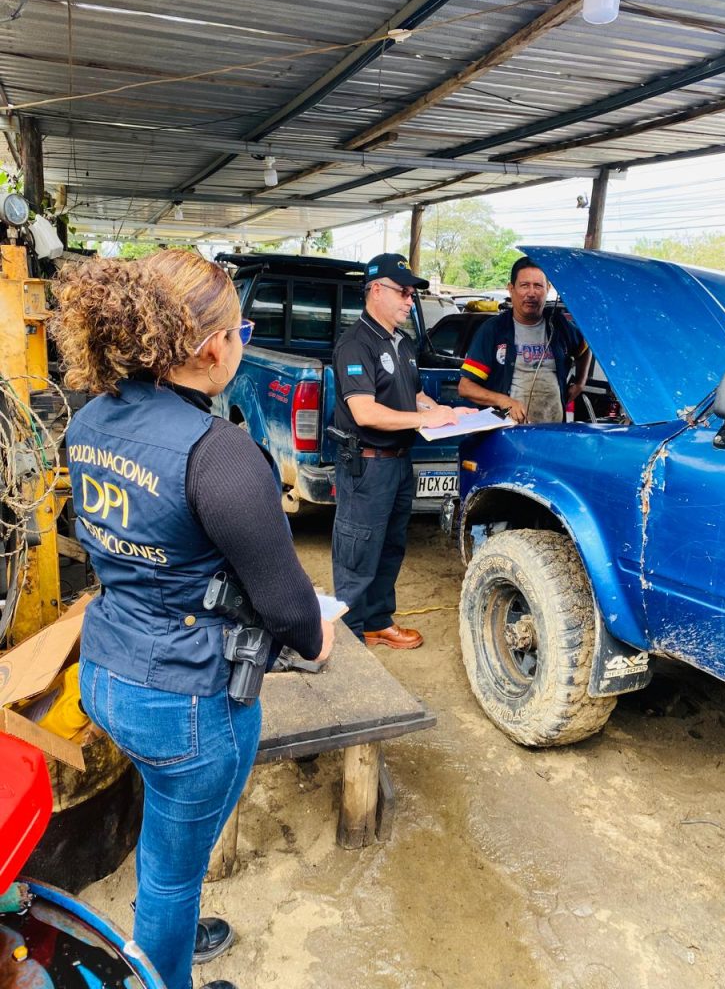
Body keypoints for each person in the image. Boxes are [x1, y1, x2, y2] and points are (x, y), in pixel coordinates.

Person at [52, 251, 334, 989]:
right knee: (172, 874)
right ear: (213, 346)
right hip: (185, 703)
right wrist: (319, 631)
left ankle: (166, 932)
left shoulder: (90, 419)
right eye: (242, 331)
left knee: (167, 839)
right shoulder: (221, 456)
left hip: (105, 672)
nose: (242, 344)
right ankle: (164, 962)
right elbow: (290, 610)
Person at [331, 252, 474, 650]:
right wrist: (424, 419)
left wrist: (446, 412)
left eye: (412, 294)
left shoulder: (403, 342)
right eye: (403, 292)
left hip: (398, 463)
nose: (410, 301)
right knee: (358, 551)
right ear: (376, 290)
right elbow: (364, 412)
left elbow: (414, 396)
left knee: (390, 547)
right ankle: (349, 639)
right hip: (367, 466)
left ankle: (377, 622)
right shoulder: (355, 344)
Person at [457, 256, 591, 423]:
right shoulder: (493, 330)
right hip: (509, 430)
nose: (531, 293)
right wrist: (503, 400)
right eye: (525, 285)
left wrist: (580, 383)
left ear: (548, 288)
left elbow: (585, 349)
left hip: (553, 428)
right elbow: (465, 387)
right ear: (511, 289)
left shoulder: (558, 325)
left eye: (538, 286)